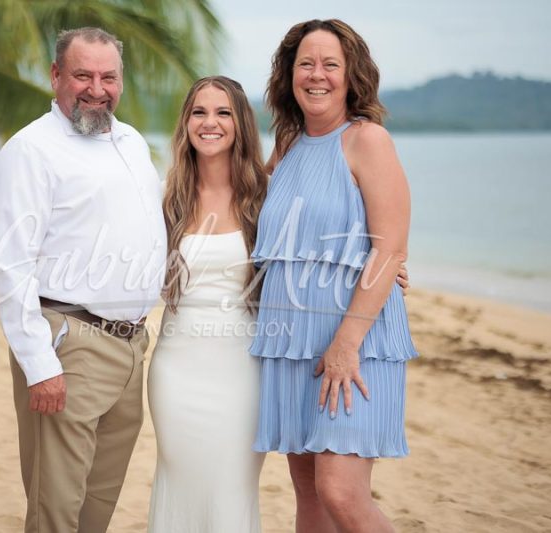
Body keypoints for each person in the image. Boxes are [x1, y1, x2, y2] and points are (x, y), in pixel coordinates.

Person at [0, 27, 166, 533]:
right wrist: (39, 365)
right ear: (55, 75)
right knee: (56, 506)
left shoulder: (129, 141)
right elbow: (11, 265)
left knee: (98, 502)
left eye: (108, 77)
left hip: (132, 345)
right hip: (70, 343)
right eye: (82, 75)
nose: (96, 88)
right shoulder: (30, 151)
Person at [249, 19, 419, 533]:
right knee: (310, 500)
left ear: (351, 76)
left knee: (341, 492)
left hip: (356, 340)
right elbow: (270, 235)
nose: (316, 75)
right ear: (289, 75)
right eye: (306, 63)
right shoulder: (286, 145)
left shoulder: (368, 140)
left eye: (330, 64)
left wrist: (347, 342)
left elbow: (390, 248)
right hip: (291, 343)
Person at [146, 76, 268, 532]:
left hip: (243, 371)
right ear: (186, 123)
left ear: (241, 123)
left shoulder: (266, 195)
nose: (210, 122)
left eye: (223, 113)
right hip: (176, 371)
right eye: (199, 112)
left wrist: (386, 262)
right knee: (179, 485)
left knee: (231, 491)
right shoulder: (164, 195)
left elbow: (321, 248)